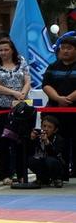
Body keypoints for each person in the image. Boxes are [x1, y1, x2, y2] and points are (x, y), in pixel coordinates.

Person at [0, 38, 30, 186]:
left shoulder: (22, 62)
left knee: (20, 142)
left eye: (6, 49)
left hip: (20, 108)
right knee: (2, 142)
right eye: (1, 50)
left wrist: (22, 94)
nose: (4, 52)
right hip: (1, 108)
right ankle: (5, 174)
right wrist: (14, 93)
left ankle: (21, 174)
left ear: (12, 49)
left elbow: (27, 81)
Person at [42, 35, 76, 177]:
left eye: (69, 48)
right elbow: (46, 85)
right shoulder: (53, 66)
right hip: (57, 111)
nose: (65, 51)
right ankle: (61, 170)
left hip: (73, 111)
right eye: (63, 48)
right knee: (59, 140)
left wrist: (70, 98)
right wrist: (58, 98)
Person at [28, 115, 66, 187]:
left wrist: (47, 142)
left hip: (56, 164)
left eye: (49, 127)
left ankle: (57, 179)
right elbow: (30, 152)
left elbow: (55, 154)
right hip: (42, 162)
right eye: (44, 126)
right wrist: (31, 140)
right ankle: (42, 179)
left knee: (50, 160)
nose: (46, 129)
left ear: (55, 130)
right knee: (30, 159)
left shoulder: (59, 139)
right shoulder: (37, 136)